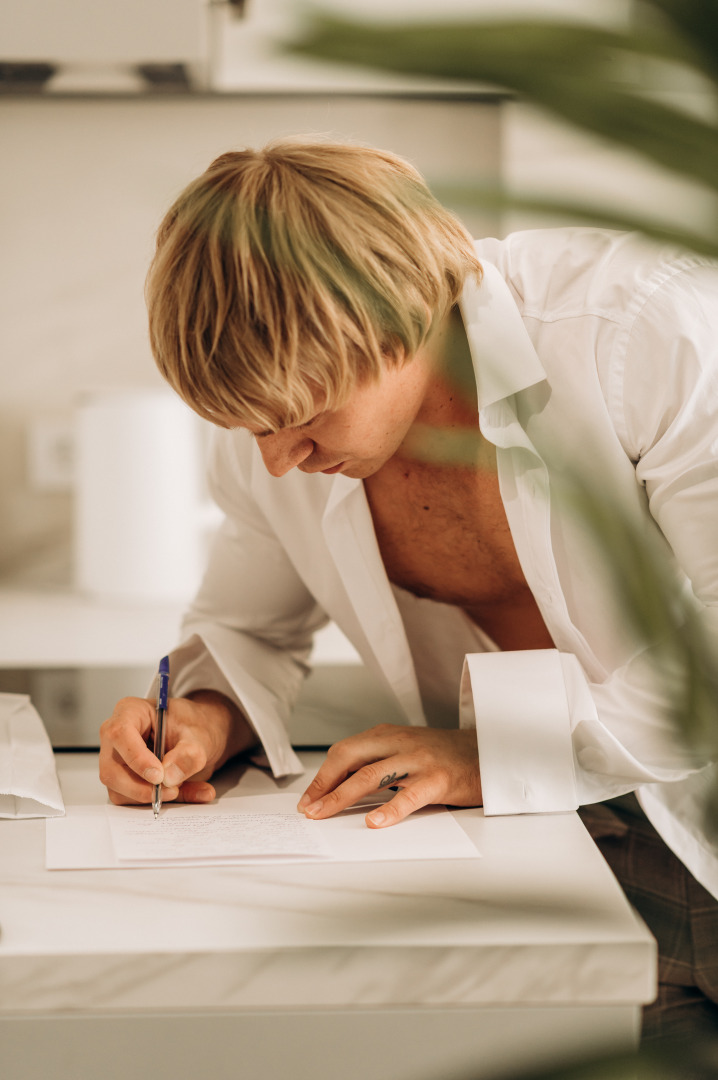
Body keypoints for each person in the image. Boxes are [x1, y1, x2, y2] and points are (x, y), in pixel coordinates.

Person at [99, 138, 718, 1039]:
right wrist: (199, 714)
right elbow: (249, 629)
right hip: (551, 855)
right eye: (251, 427)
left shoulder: (646, 333)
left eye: (306, 419)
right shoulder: (276, 416)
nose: (278, 461)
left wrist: (486, 748)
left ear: (404, 318)